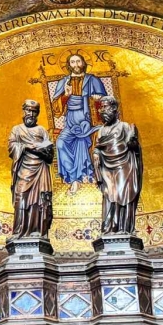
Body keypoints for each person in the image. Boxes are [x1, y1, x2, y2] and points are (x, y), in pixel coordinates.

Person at [93, 96, 143, 236]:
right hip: (107, 168)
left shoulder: (125, 126)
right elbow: (98, 147)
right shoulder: (101, 130)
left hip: (124, 166)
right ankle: (110, 228)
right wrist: (96, 154)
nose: (102, 110)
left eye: (106, 107)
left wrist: (133, 142)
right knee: (109, 196)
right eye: (101, 108)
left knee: (123, 195)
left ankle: (124, 228)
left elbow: (133, 146)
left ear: (115, 109)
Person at [54, 53, 104, 186]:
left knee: (82, 140)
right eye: (73, 62)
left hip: (88, 119)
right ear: (69, 65)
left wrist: (96, 98)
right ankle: (73, 177)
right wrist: (66, 95)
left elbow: (107, 104)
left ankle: (86, 174)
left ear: (83, 63)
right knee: (60, 143)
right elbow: (56, 109)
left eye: (78, 61)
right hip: (70, 121)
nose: (76, 65)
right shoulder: (63, 82)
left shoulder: (93, 80)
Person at [8, 99, 54, 240]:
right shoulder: (16, 129)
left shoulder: (41, 131)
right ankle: (19, 232)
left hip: (40, 170)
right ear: (24, 111)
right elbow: (11, 147)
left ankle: (38, 232)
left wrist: (39, 149)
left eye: (34, 112)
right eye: (28, 111)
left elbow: (50, 153)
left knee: (39, 201)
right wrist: (27, 146)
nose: (31, 114)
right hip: (23, 169)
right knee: (21, 198)